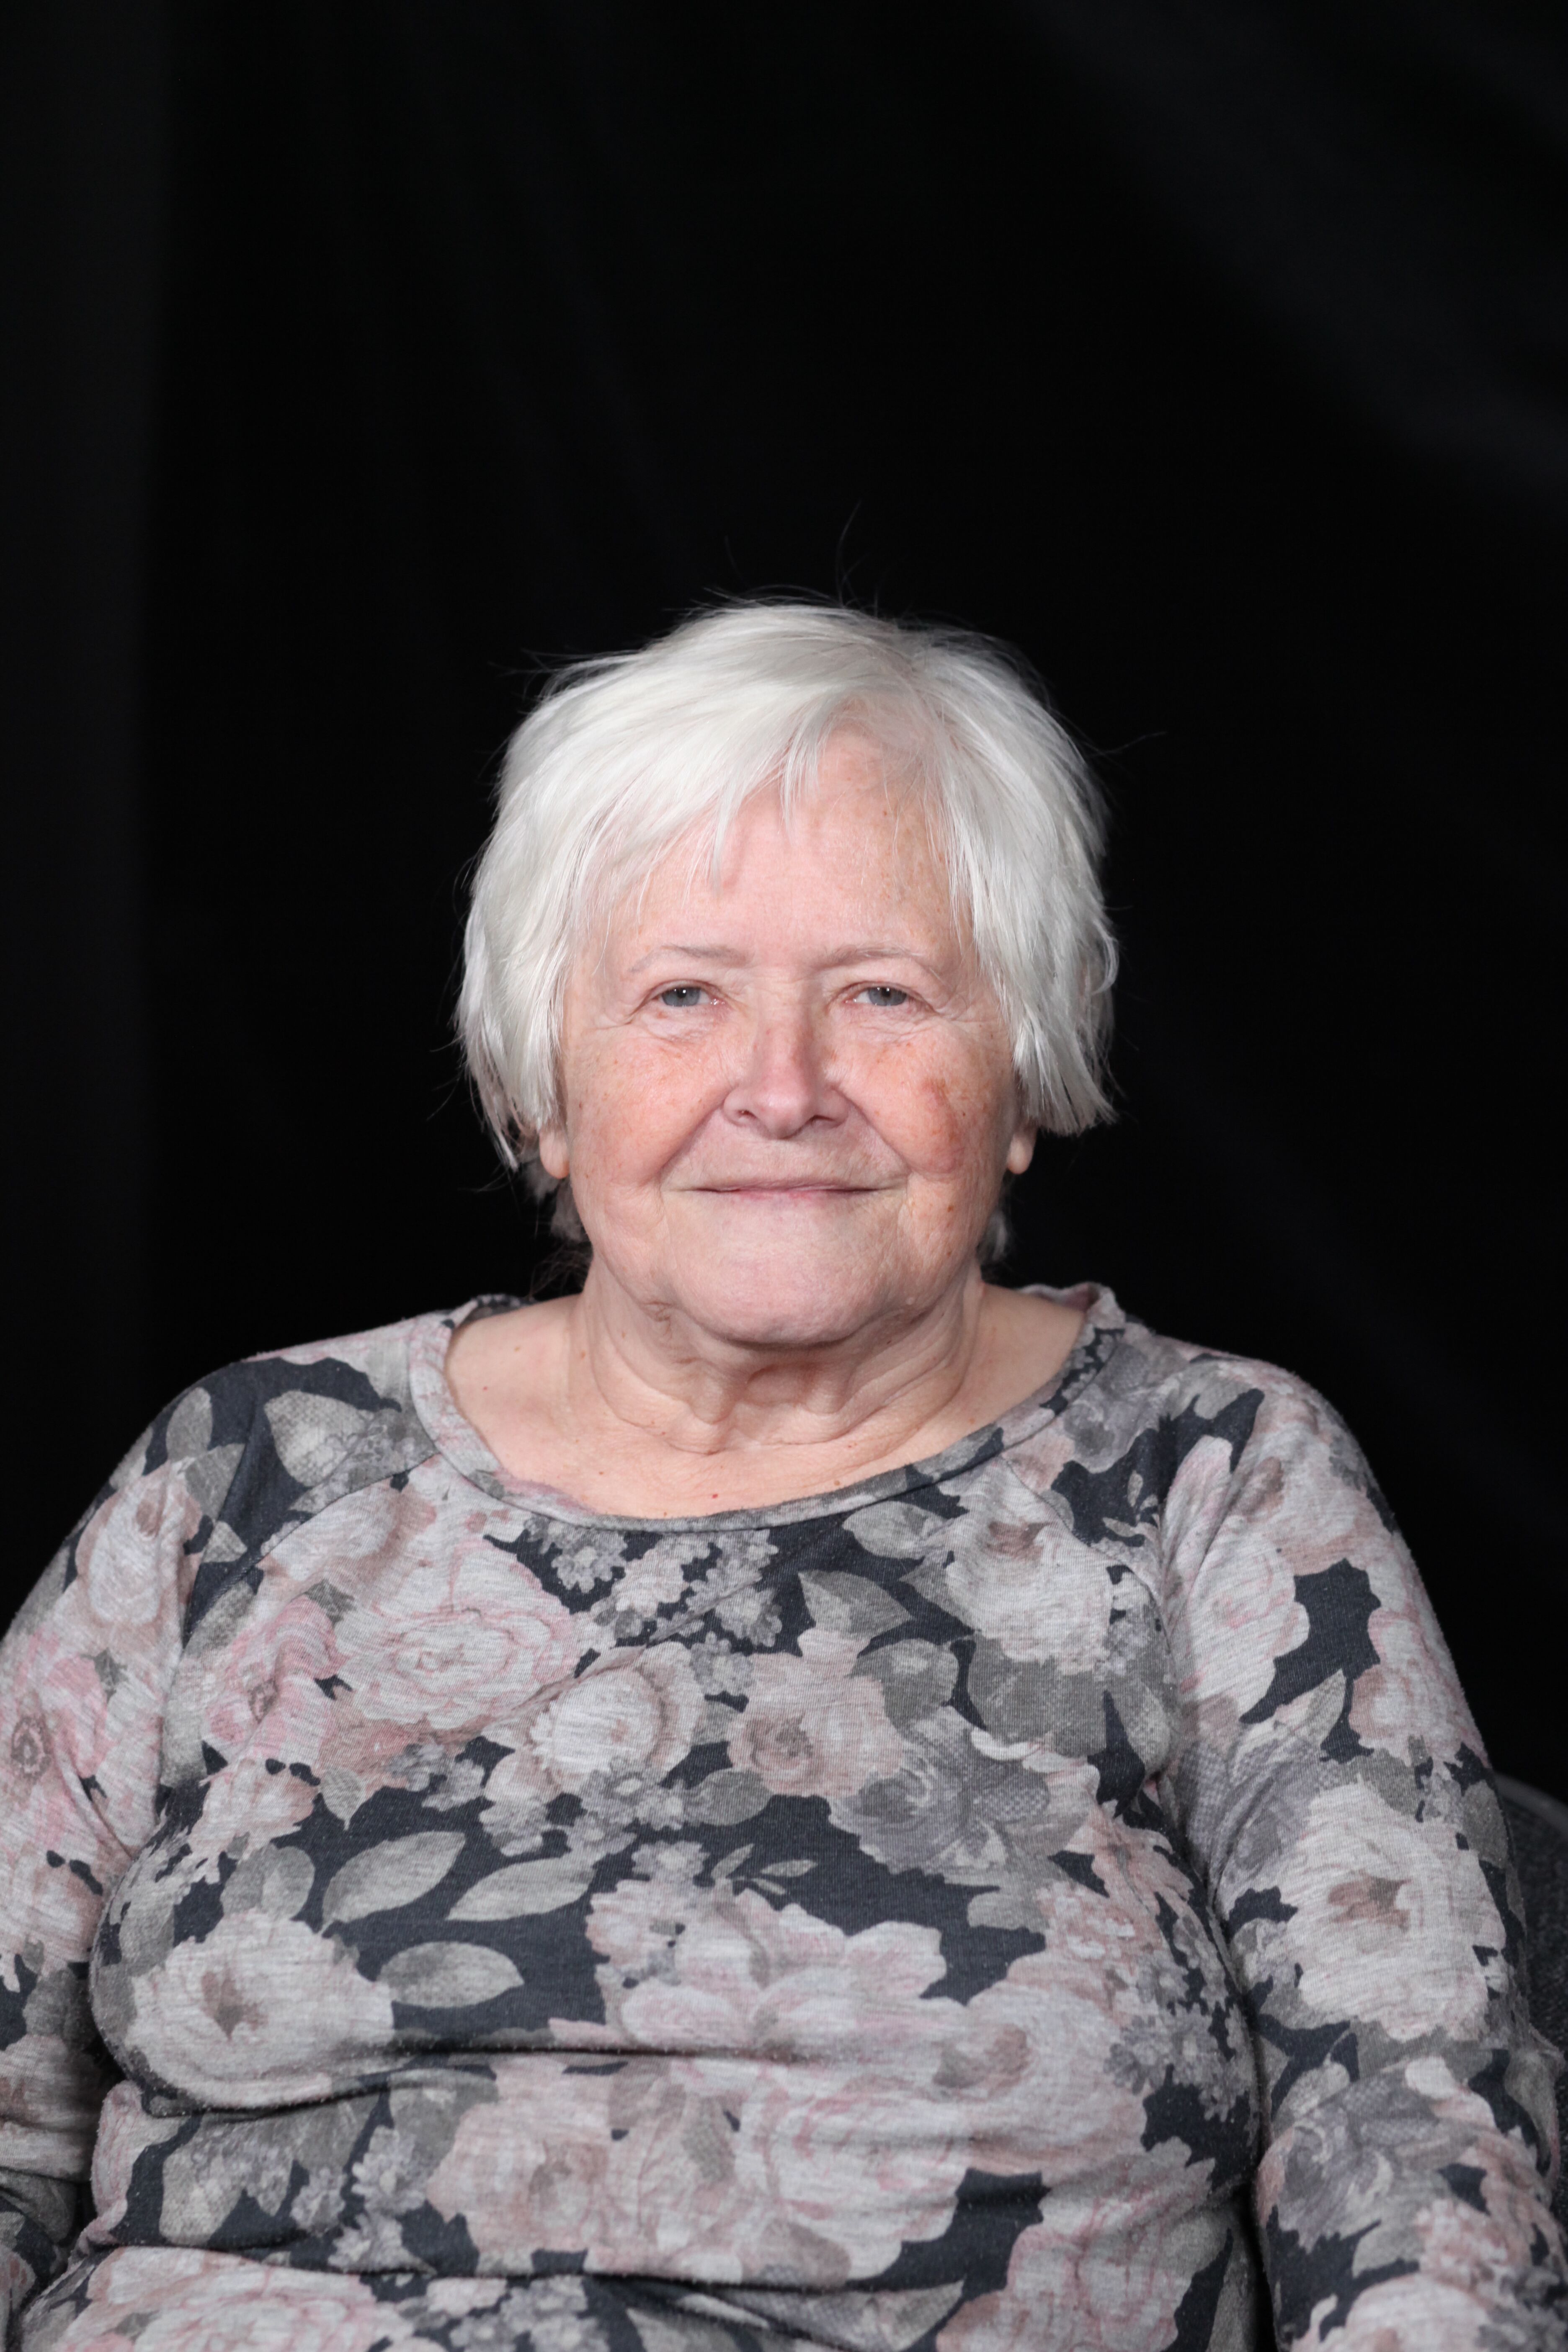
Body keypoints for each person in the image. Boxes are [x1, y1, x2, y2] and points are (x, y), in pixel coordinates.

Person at [0, 603, 1561, 2352]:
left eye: (882, 995)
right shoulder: (248, 1471)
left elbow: (1421, 2159)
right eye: (684, 997)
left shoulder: (1211, 1480)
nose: (785, 1088)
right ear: (543, 1087)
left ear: (1022, 1076)